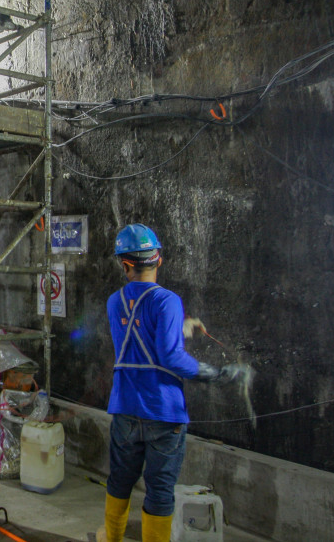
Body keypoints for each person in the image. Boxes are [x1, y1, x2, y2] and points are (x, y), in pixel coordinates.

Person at [98, 224, 249, 542]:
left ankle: (111, 539)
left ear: (125, 265)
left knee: (120, 482)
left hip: (125, 407)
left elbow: (135, 339)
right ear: (159, 260)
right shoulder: (167, 301)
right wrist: (214, 374)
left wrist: (178, 328)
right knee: (159, 492)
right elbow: (169, 358)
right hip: (164, 413)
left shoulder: (115, 302)